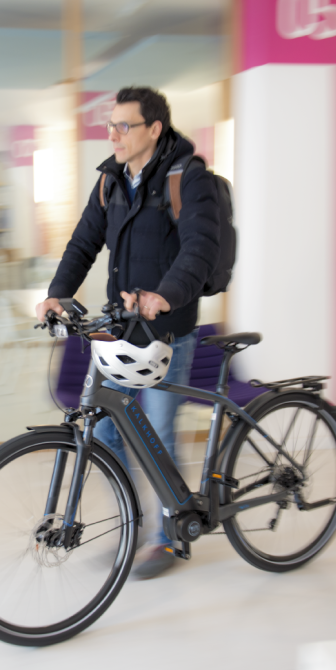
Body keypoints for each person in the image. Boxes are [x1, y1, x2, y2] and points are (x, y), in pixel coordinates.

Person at [35, 86, 220, 579]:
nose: (112, 134)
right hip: (120, 328)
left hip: (166, 330)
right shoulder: (111, 181)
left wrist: (167, 293)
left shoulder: (187, 178)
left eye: (123, 125)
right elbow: (83, 242)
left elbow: (199, 246)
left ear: (154, 130)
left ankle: (168, 537)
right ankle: (133, 520)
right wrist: (58, 291)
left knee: (157, 435)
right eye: (110, 125)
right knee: (108, 430)